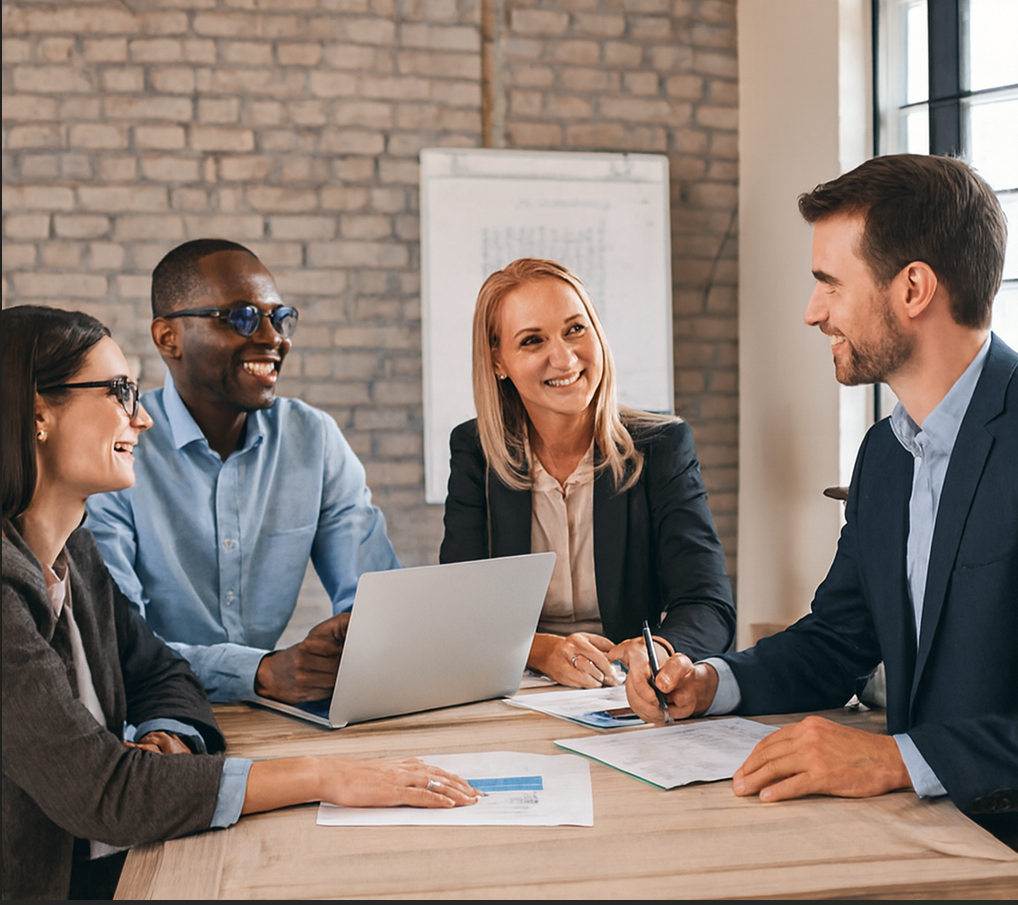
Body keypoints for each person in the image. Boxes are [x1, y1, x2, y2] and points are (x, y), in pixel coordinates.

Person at [1, 305, 477, 900]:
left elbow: (161, 671)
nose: (142, 417)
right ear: (38, 415)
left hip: (122, 861)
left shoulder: (76, 553)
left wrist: (167, 736)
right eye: (119, 391)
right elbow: (105, 793)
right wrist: (325, 776)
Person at [625, 154, 1017, 821]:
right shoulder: (885, 456)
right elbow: (838, 642)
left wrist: (897, 759)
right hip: (916, 829)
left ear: (913, 289)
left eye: (830, 284)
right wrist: (712, 681)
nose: (813, 312)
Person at [86, 239, 400, 705]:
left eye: (279, 318)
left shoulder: (311, 438)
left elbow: (378, 601)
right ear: (168, 337)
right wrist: (260, 672)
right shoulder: (120, 447)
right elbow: (115, 644)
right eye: (242, 318)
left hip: (270, 717)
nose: (274, 338)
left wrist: (354, 641)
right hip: (154, 714)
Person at [440, 258, 736, 687]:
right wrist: (541, 650)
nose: (564, 358)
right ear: (498, 361)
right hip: (516, 687)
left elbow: (709, 603)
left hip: (624, 689)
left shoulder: (662, 445)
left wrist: (658, 650)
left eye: (575, 329)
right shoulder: (476, 452)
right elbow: (457, 611)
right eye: (532, 341)